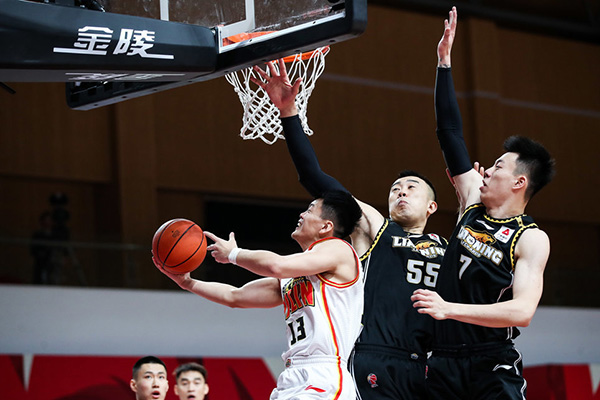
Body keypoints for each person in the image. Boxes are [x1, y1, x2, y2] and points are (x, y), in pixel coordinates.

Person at [251, 60, 447, 399]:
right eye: (395, 189)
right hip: (372, 357)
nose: (401, 192)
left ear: (432, 206)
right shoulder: (376, 228)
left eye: (411, 187)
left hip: (426, 362)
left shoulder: (448, 247)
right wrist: (289, 114)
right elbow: (315, 178)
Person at [411, 7, 556, 400]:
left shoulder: (530, 238)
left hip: (491, 361)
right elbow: (449, 132)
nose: (487, 171)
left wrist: (448, 308)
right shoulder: (473, 199)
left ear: (520, 182)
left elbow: (521, 312)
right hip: (442, 359)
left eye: (498, 166)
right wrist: (444, 63)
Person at [154, 190, 363, 400]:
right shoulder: (293, 275)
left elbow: (275, 265)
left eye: (310, 210)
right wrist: (188, 283)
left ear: (326, 226)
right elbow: (235, 296)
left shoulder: (339, 249)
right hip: (292, 375)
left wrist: (233, 254)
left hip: (325, 374)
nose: (302, 214)